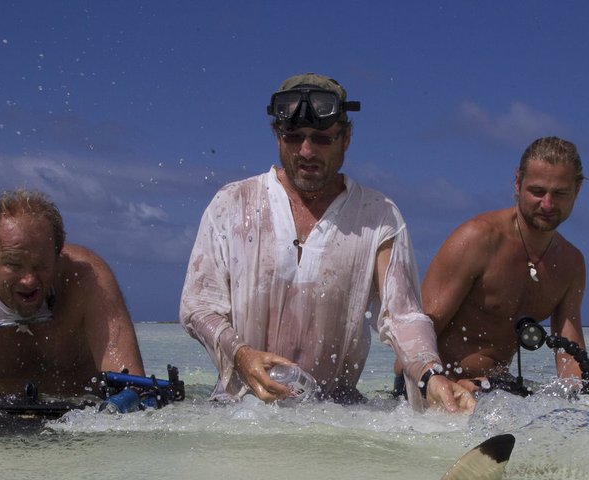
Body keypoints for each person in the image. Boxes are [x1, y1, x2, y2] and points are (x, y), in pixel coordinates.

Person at [179, 73, 473, 413]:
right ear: (278, 135)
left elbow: (404, 316)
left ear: (346, 138)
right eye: (294, 137)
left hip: (335, 413)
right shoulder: (231, 203)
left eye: (321, 139)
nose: (306, 151)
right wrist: (242, 355)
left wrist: (430, 376)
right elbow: (198, 307)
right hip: (240, 407)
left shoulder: (378, 216)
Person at [0, 189, 144, 401]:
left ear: (58, 255)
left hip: (82, 418)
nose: (29, 280)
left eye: (40, 265)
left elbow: (131, 386)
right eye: (14, 265)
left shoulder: (88, 279)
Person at [419, 136, 589, 393]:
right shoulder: (479, 239)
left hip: (495, 390)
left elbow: (571, 353)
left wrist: (578, 402)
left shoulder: (571, 263)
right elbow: (419, 331)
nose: (547, 204)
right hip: (439, 385)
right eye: (537, 191)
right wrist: (434, 385)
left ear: (577, 191)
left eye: (560, 194)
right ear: (518, 182)